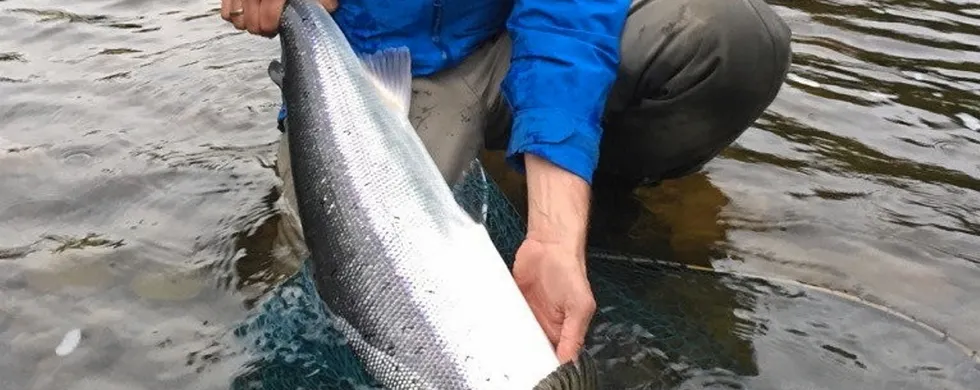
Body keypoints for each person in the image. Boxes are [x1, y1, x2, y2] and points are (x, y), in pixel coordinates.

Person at [220, 0, 792, 364]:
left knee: (734, 41)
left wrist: (555, 232)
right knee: (336, 277)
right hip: (380, 65)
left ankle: (594, 188)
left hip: (512, 41)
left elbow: (567, 18)